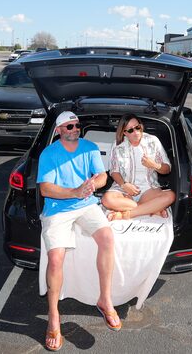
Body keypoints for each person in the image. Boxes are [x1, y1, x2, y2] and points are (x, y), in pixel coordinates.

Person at [37, 111, 119, 351]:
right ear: (60, 130)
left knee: (107, 238)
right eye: (70, 126)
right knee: (55, 259)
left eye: (77, 126)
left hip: (86, 205)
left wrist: (94, 184)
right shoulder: (49, 153)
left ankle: (105, 300)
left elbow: (102, 176)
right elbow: (45, 189)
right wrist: (74, 191)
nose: (75, 129)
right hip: (57, 208)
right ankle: (53, 316)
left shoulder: (89, 147)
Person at [103, 114, 174, 221]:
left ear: (141, 126)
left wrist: (154, 165)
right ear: (124, 133)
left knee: (170, 196)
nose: (136, 132)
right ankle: (152, 208)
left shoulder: (153, 141)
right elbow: (114, 171)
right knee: (106, 200)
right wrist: (124, 185)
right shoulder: (118, 145)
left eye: (138, 127)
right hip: (124, 190)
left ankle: (125, 214)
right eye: (130, 130)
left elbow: (167, 169)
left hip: (149, 189)